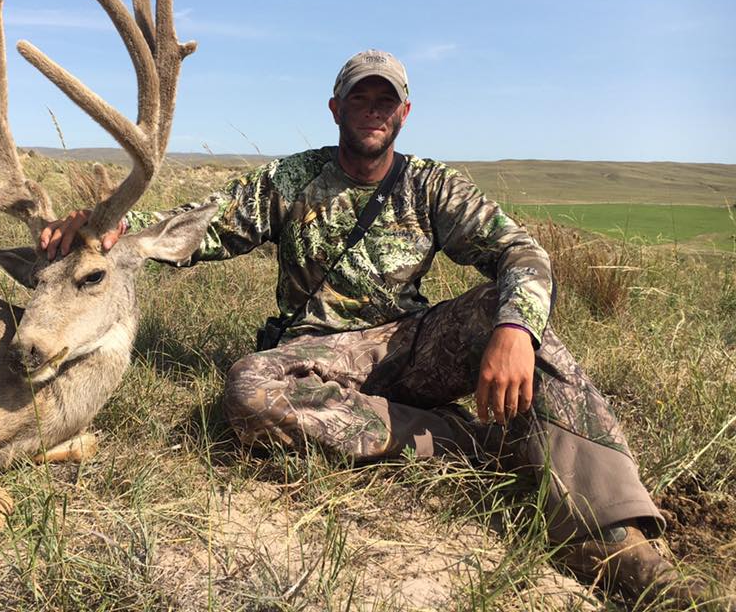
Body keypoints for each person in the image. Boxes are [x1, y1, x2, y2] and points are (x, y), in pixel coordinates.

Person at [40, 50, 727, 609]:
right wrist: (109, 230)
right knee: (249, 386)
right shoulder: (289, 178)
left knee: (518, 317)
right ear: (336, 109)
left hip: (407, 346)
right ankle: (475, 444)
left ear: (403, 113)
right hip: (309, 357)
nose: (373, 112)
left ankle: (615, 536)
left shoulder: (431, 186)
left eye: (385, 101)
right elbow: (201, 224)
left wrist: (513, 327)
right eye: (360, 100)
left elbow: (523, 254)